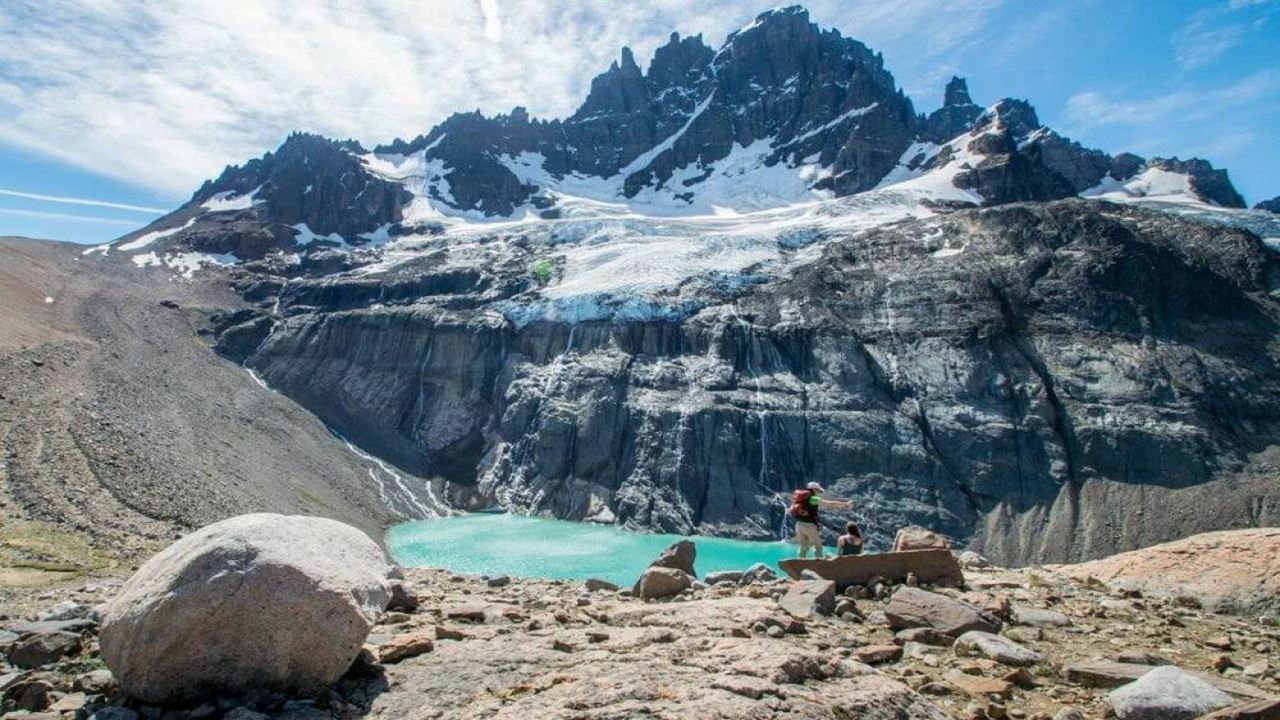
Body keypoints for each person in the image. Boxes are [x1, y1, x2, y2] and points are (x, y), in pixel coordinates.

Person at [789, 481, 853, 559]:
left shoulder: (800, 499)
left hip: (798, 524)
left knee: (803, 547)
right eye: (818, 490)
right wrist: (845, 504)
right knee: (818, 547)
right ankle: (819, 562)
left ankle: (800, 562)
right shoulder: (813, 498)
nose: (818, 492)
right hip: (809, 525)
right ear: (814, 490)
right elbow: (830, 504)